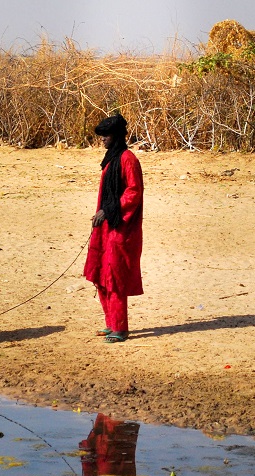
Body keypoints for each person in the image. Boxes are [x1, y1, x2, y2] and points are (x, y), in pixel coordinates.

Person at [83, 114, 144, 343]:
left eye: (106, 136)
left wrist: (108, 211)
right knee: (99, 274)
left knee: (114, 277)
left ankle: (120, 328)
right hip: (105, 226)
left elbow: (133, 193)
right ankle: (111, 323)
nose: (103, 140)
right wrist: (102, 214)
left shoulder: (128, 159)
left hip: (121, 228)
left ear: (116, 136)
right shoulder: (111, 159)